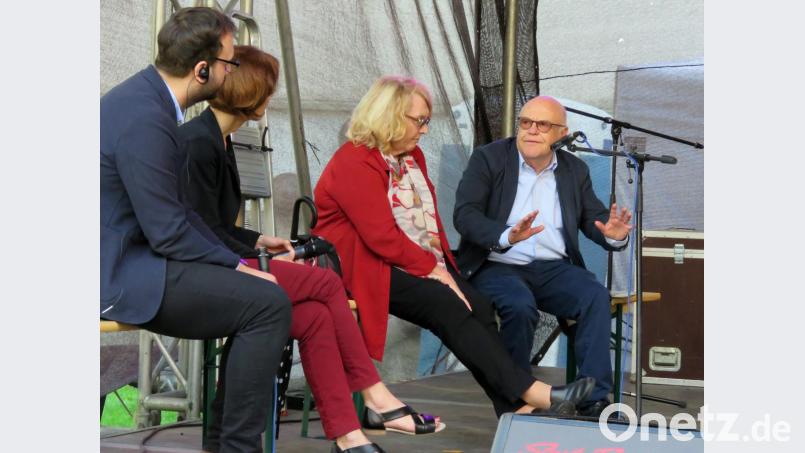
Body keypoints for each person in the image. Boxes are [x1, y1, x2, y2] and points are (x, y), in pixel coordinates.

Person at [180, 46, 445, 453]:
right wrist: (251, 255)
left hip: (224, 259)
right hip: (201, 269)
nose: (272, 100)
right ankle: (374, 395)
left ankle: (348, 436)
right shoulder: (198, 144)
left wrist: (257, 241)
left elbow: (210, 222)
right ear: (251, 92)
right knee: (324, 284)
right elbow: (194, 232)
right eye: (269, 90)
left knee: (316, 316)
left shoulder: (220, 140)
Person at [312, 76, 596, 419]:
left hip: (405, 260)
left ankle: (515, 407)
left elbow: (426, 224)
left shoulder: (410, 157)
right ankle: (532, 394)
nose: (425, 130)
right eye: (420, 121)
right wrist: (435, 271)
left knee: (476, 302)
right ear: (390, 115)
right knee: (444, 301)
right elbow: (381, 238)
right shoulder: (354, 161)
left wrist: (444, 267)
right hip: (361, 267)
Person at [100, 9, 291, 453]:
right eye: (230, 63)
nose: (232, 71)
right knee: (268, 304)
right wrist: (237, 267)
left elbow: (179, 215)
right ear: (202, 69)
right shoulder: (147, 117)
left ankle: (227, 445)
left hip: (136, 256)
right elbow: (169, 231)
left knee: (264, 299)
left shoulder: (147, 100)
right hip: (120, 271)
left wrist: (241, 259)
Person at [453, 95, 634, 418]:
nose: (532, 130)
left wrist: (611, 233)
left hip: (553, 269)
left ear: (561, 133)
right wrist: (507, 235)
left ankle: (594, 399)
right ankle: (516, 399)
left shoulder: (574, 170)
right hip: (497, 264)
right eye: (526, 122)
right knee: (519, 305)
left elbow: (594, 218)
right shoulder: (489, 159)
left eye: (543, 125)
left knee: (594, 296)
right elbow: (465, 216)